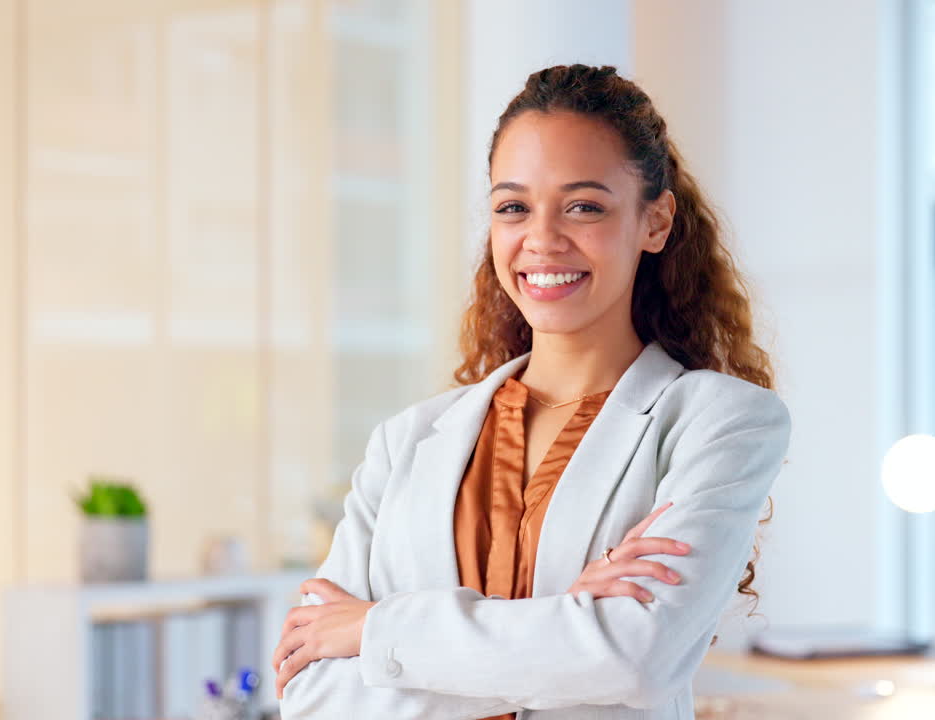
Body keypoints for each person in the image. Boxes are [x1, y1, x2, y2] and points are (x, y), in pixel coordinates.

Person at [272, 63, 791, 719]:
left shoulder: (722, 421)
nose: (542, 240)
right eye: (513, 207)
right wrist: (564, 625)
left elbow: (635, 660)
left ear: (656, 222)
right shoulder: (403, 442)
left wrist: (374, 631)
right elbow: (313, 694)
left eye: (584, 207)